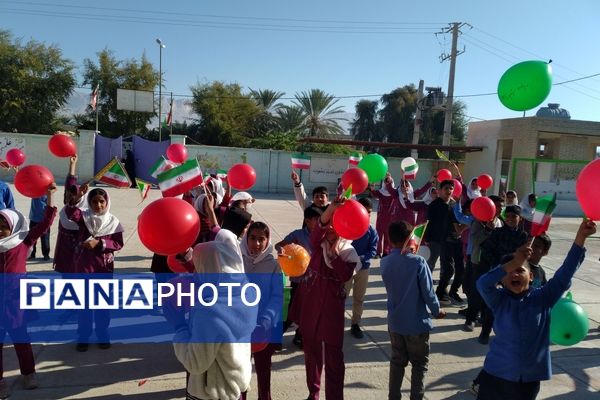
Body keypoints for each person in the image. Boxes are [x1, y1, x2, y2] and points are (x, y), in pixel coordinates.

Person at [476, 219, 596, 400]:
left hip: (528, 381)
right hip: (495, 376)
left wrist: (580, 237)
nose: (514, 274)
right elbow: (482, 283)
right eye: (509, 272)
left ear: (531, 276)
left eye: (520, 270)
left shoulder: (543, 298)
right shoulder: (498, 300)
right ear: (501, 279)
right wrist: (516, 260)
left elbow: (565, 273)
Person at [167, 228, 257, 400]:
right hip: (235, 384)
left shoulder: (209, 311)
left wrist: (179, 326)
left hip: (211, 392)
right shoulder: (247, 293)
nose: (196, 273)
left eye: (199, 267)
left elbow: (195, 363)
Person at [289, 196, 361, 400]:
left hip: (331, 311)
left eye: (336, 226)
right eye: (329, 224)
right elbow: (318, 229)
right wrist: (331, 209)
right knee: (311, 354)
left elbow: (346, 275)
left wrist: (335, 254)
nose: (330, 229)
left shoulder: (348, 251)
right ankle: (314, 393)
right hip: (311, 305)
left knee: (334, 358)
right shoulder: (317, 242)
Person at [0, 182, 57, 397]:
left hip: (16, 302)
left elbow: (45, 223)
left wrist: (49, 198)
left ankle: (29, 373)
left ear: (13, 227)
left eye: (3, 226)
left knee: (21, 340)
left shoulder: (22, 242)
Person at [381, 220, 446, 400]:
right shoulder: (418, 262)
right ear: (410, 238)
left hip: (395, 323)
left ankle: (393, 396)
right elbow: (428, 292)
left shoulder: (385, 262)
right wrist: (436, 310)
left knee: (397, 362)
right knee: (419, 364)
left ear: (389, 239)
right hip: (416, 324)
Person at [66, 186, 124, 351]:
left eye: (101, 201)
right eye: (94, 202)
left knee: (102, 306)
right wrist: (77, 199)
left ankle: (102, 334)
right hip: (83, 268)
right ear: (89, 203)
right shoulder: (83, 217)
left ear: (106, 202)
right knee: (84, 306)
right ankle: (83, 336)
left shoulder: (113, 221)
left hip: (103, 270)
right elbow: (71, 214)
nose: (98, 205)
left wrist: (99, 243)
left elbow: (118, 243)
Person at [240, 221, 283, 400]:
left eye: (261, 239)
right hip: (239, 326)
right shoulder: (237, 259)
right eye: (252, 238)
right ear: (246, 238)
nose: (256, 243)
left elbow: (277, 296)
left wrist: (266, 319)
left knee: (263, 369)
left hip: (263, 326)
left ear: (267, 241)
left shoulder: (274, 264)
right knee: (239, 370)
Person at [476, 204, 527, 344]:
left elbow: (525, 255)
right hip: (498, 273)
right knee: (492, 304)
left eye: (514, 217)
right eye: (508, 216)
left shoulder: (524, 236)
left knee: (515, 303)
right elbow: (485, 249)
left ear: (520, 218)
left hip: (516, 275)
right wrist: (498, 265)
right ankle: (485, 332)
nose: (510, 219)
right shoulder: (497, 232)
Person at [275, 206, 323, 348]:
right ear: (307, 221)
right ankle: (275, 337)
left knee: (308, 312)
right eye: (317, 220)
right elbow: (279, 246)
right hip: (299, 281)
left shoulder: (323, 235)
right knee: (291, 312)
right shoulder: (298, 235)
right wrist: (283, 252)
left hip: (314, 281)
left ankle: (299, 337)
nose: (320, 222)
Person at [344, 197, 378, 339]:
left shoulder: (371, 231)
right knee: (341, 296)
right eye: (364, 210)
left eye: (369, 212)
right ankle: (335, 322)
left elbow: (373, 250)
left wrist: (361, 258)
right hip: (347, 268)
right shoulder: (347, 226)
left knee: (359, 297)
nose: (367, 214)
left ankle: (355, 323)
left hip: (363, 269)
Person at [54, 155, 86, 274]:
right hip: (64, 249)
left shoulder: (82, 212)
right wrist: (72, 164)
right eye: (68, 194)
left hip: (77, 251)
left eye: (74, 194)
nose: (70, 195)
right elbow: (69, 185)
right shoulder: (66, 207)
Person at [369, 172, 396, 258]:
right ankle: (377, 252)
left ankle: (386, 252)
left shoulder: (394, 193)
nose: (387, 183)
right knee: (379, 235)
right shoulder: (381, 192)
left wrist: (389, 179)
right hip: (381, 217)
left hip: (390, 218)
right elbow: (374, 193)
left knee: (388, 236)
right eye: (386, 181)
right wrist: (372, 187)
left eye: (389, 181)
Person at [28, 195, 50, 260]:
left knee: (45, 239)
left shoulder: (47, 194)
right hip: (34, 219)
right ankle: (32, 254)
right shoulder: (34, 192)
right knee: (32, 238)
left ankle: (46, 254)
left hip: (43, 220)